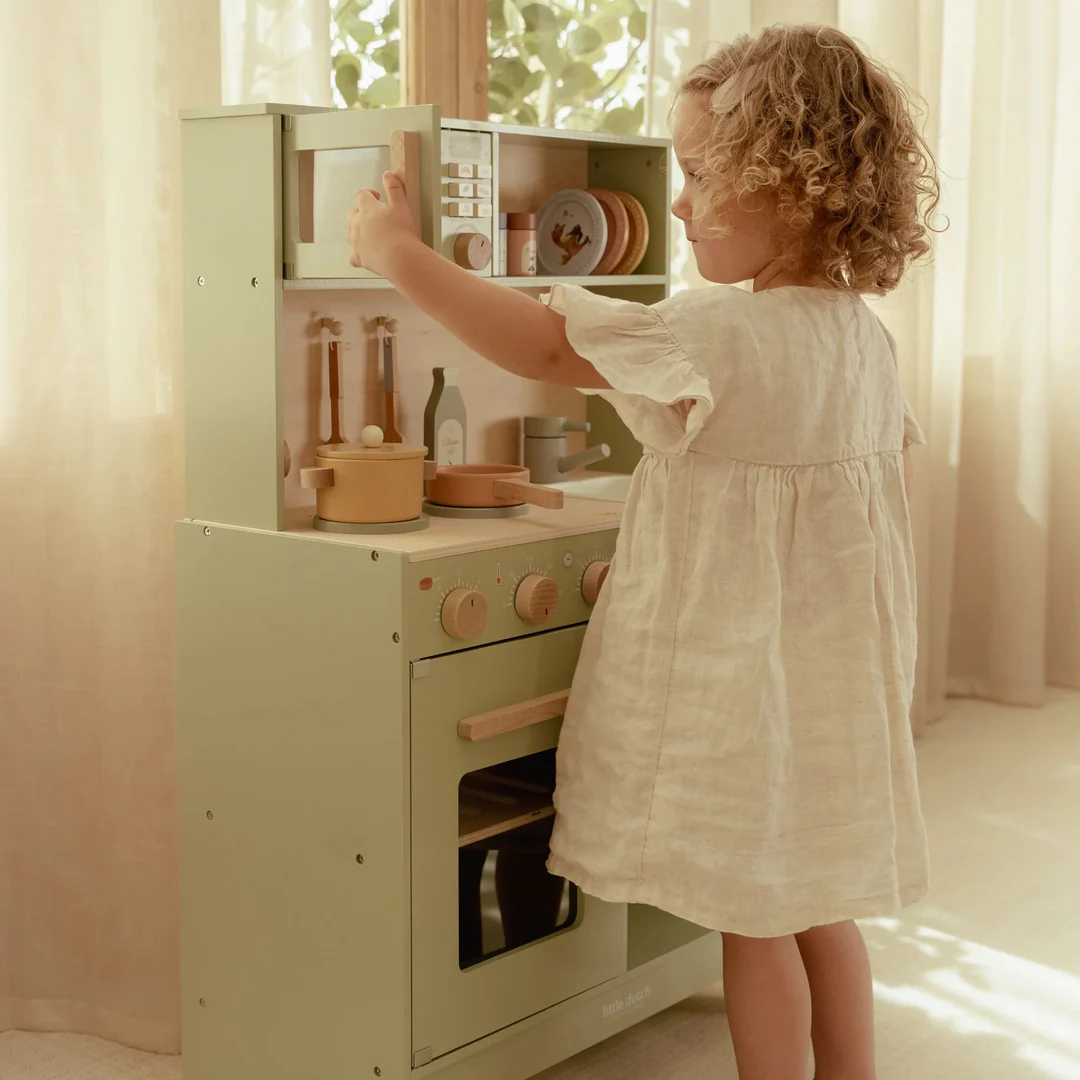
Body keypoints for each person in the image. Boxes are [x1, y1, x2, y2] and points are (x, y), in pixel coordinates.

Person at [347, 23, 938, 1080]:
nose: (678, 202)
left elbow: (540, 343)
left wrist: (398, 254)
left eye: (703, 175)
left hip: (744, 688)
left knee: (752, 920)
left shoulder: (715, 332)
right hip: (831, 683)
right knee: (821, 908)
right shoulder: (864, 338)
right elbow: (835, 522)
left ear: (790, 185)